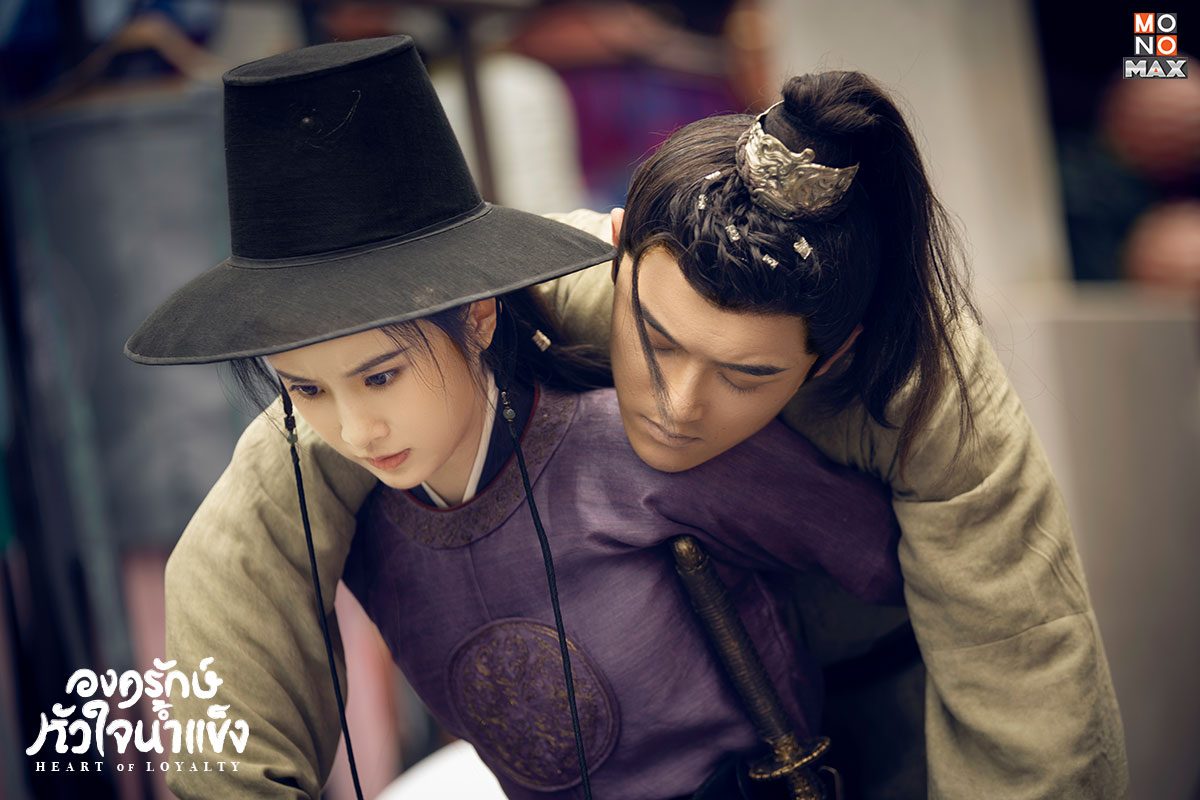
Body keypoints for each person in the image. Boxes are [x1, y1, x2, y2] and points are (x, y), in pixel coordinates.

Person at [154, 51, 1129, 800]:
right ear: (616, 256)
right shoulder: (358, 452)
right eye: (656, 341)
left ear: (830, 360)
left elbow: (1008, 677)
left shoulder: (923, 406)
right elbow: (242, 551)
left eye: (745, 374)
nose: (677, 403)